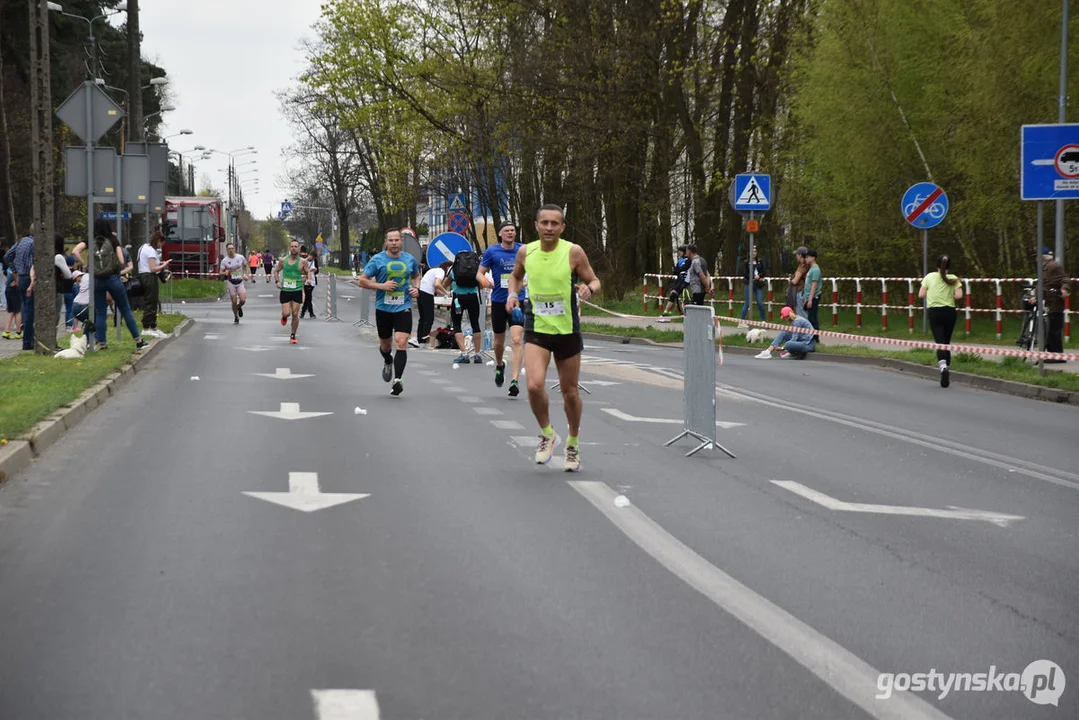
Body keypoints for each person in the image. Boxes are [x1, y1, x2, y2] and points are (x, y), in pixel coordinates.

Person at [506, 204, 600, 471]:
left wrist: (588, 289)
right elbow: (515, 277)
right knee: (534, 386)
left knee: (570, 392)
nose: (549, 228)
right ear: (536, 225)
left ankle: (573, 441)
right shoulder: (526, 252)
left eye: (554, 224)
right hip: (537, 327)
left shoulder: (573, 252)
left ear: (562, 227)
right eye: (544, 223)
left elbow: (595, 280)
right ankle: (547, 433)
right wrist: (513, 295)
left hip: (567, 329)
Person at [359, 228, 421, 396]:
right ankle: (388, 360)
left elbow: (416, 275)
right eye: (391, 240)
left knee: (401, 342)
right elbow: (362, 281)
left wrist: (416, 288)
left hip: (404, 306)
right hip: (383, 308)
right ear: (386, 242)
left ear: (401, 241)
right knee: (386, 346)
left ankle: (398, 380)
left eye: (397, 240)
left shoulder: (409, 259)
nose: (394, 243)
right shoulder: (377, 260)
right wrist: (382, 286)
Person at [72, 219, 146, 351]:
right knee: (125, 309)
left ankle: (103, 344)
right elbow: (122, 260)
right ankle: (138, 341)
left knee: (100, 312)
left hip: (97, 280)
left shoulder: (90, 239)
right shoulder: (112, 240)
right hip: (112, 279)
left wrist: (85, 264)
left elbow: (75, 251)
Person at [479, 221, 527, 396]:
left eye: (513, 230)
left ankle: (514, 380)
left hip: (518, 300)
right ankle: (500, 364)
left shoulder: (523, 250)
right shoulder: (492, 251)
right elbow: (479, 272)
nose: (510, 233)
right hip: (499, 300)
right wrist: (484, 281)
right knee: (498, 341)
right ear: (500, 233)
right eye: (506, 230)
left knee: (516, 340)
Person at [919, 254, 963, 387]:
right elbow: (959, 296)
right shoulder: (953, 279)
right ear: (949, 266)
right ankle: (947, 367)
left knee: (939, 342)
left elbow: (921, 294)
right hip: (949, 311)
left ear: (937, 265)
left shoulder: (929, 277)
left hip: (935, 311)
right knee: (946, 341)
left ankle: (943, 367)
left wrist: (932, 293)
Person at [441, 252, 484, 366]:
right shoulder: (476, 267)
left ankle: (464, 354)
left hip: (458, 298)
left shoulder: (453, 267)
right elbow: (481, 285)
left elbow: (444, 284)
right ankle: (477, 354)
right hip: (473, 297)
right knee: (475, 324)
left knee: (457, 324)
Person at [274, 240, 310, 344]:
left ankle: (293, 335)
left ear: (298, 248)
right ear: (290, 248)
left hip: (297, 289)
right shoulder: (283, 260)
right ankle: (284, 317)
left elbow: (308, 272)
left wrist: (308, 279)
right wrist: (277, 282)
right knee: (287, 313)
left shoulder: (303, 261)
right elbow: (276, 271)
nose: (294, 248)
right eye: (292, 246)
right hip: (285, 289)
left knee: (295, 313)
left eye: (296, 246)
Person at [1038, 248, 1071, 361]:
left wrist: (1064, 289)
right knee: (1049, 329)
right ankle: (1051, 354)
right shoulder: (1045, 267)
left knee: (1054, 329)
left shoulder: (1053, 267)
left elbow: (1065, 279)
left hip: (1054, 302)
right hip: (1048, 302)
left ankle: (1057, 355)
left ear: (1043, 256)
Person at [3, 229, 34, 350]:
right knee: (30, 310)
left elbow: (7, 256)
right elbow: (34, 263)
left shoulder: (21, 242)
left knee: (25, 308)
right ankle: (28, 341)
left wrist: (15, 271)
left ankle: (26, 338)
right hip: (29, 278)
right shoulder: (35, 244)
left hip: (21, 278)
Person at [138, 230, 171, 336]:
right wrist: (164, 264)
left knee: (152, 301)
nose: (161, 246)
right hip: (149, 276)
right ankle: (146, 327)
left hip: (143, 275)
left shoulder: (143, 247)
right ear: (157, 241)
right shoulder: (152, 251)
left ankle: (153, 326)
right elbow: (153, 268)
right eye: (161, 243)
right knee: (151, 302)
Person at [417, 260, 452, 346]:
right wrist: (447, 293)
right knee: (429, 318)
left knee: (423, 318)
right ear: (448, 268)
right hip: (427, 293)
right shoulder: (441, 271)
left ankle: (419, 339)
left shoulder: (434, 270)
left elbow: (436, 289)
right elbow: (437, 285)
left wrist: (444, 294)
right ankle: (424, 338)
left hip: (420, 292)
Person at [658, 245, 690, 321]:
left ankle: (665, 315)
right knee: (673, 296)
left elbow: (685, 269)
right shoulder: (680, 260)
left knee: (673, 295)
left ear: (685, 252)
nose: (679, 253)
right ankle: (668, 314)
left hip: (684, 280)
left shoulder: (689, 260)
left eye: (680, 252)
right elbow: (676, 270)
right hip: (678, 280)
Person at [219, 242, 248, 324]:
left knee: (243, 300)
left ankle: (239, 307)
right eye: (229, 249)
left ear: (234, 249)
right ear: (227, 250)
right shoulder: (225, 260)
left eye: (232, 248)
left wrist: (246, 275)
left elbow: (246, 266)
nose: (231, 250)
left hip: (240, 281)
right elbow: (220, 272)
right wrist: (225, 273)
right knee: (234, 301)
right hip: (231, 282)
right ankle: (236, 316)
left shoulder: (240, 257)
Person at [738, 245, 767, 325]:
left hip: (758, 284)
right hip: (749, 284)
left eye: (755, 251)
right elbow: (745, 273)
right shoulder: (746, 262)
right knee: (747, 303)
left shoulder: (760, 262)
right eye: (752, 251)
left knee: (760, 302)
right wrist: (754, 277)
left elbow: (764, 272)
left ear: (757, 253)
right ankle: (741, 321)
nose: (754, 253)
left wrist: (759, 276)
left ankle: (763, 320)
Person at [803, 249, 822, 342]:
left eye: (807, 257)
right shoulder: (811, 269)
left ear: (813, 258)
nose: (806, 259)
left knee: (812, 318)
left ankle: (815, 337)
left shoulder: (815, 270)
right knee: (810, 317)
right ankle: (811, 336)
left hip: (814, 297)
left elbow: (814, 285)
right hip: (809, 297)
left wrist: (810, 299)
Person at [786, 246, 809, 317]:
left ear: (800, 255)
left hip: (800, 292)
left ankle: (804, 328)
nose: (796, 256)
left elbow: (795, 281)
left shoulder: (803, 266)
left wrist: (790, 280)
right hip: (804, 291)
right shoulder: (806, 265)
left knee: (802, 315)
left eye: (797, 254)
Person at [300, 246, 319, 319]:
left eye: (314, 258)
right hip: (306, 280)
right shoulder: (304, 261)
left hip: (312, 280)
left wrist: (315, 270)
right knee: (308, 297)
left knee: (308, 298)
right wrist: (309, 271)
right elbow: (301, 270)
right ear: (310, 255)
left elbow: (317, 271)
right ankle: (310, 313)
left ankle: (303, 313)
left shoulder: (314, 261)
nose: (312, 259)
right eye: (312, 257)